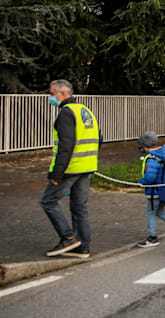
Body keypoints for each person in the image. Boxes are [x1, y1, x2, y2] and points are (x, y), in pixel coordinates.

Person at [40, 79, 101, 258]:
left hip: (71, 167)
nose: (50, 97)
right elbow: (100, 137)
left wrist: (56, 173)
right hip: (87, 166)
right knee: (79, 206)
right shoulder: (85, 110)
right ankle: (83, 247)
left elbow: (66, 145)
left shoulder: (66, 113)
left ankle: (68, 237)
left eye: (52, 94)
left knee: (48, 201)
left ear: (63, 94)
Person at [136, 131, 165, 248]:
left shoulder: (151, 159)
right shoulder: (163, 154)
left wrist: (141, 182)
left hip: (154, 191)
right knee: (159, 211)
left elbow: (150, 177)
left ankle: (152, 237)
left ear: (145, 146)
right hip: (163, 189)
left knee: (151, 212)